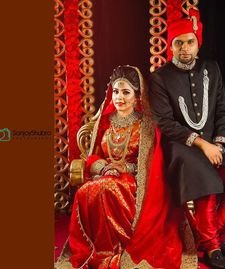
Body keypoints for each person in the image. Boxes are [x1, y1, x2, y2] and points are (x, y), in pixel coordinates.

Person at [55, 65, 197, 269]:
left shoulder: (146, 125)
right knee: (86, 191)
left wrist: (123, 169)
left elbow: (150, 163)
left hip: (134, 184)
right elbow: (94, 154)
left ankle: (112, 249)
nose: (119, 97)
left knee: (106, 188)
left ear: (137, 96)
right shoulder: (105, 121)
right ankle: (99, 248)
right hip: (104, 176)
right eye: (116, 91)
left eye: (125, 92)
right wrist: (104, 167)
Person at [149, 5, 225, 269]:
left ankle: (211, 237)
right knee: (206, 179)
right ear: (170, 46)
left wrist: (219, 142)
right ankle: (211, 249)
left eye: (189, 42)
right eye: (178, 43)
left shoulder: (213, 68)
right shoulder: (160, 77)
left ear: (198, 44)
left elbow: (222, 109)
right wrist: (201, 144)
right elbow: (165, 122)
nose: (184, 48)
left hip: (213, 144)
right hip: (180, 148)